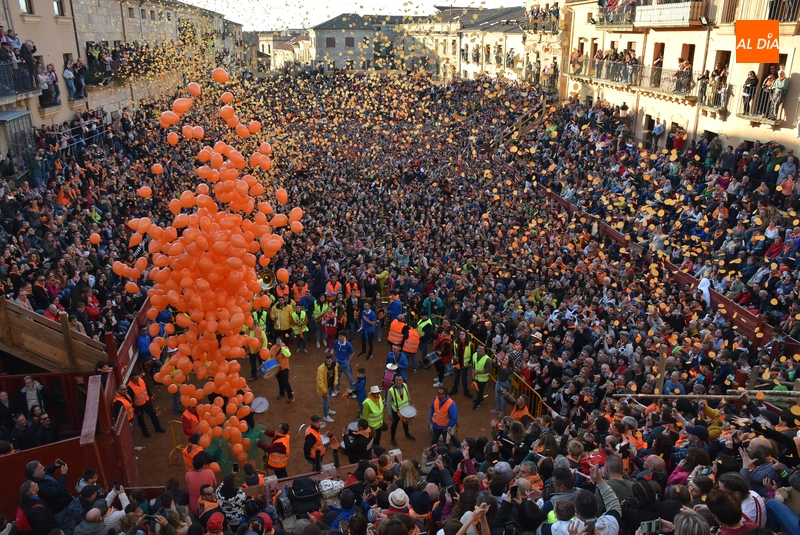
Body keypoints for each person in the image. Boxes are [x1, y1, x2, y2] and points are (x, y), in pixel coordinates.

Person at [127, 370, 165, 437]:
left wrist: (151, 395)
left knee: (153, 415)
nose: (137, 380)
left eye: (137, 378)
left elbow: (147, 388)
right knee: (141, 420)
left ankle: (158, 427)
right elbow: (131, 400)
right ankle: (145, 432)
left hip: (147, 401)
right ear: (131, 379)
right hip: (139, 406)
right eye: (135, 379)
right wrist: (135, 410)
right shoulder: (129, 387)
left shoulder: (141, 380)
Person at [386, 373, 415, 447]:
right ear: (394, 380)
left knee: (406, 423)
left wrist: (410, 404)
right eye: (396, 380)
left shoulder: (405, 386)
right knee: (394, 425)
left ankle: (407, 434)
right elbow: (388, 403)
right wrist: (389, 414)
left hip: (405, 409)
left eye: (399, 380)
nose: (398, 382)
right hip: (396, 411)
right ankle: (392, 438)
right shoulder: (391, 390)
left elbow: (408, 395)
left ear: (402, 380)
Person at [317, 353, 339, 424]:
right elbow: (319, 381)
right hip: (325, 388)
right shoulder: (321, 368)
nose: (328, 363)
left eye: (329, 361)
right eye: (327, 361)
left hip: (331, 387)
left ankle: (328, 410)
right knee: (326, 402)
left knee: (329, 399)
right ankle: (325, 415)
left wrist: (335, 382)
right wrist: (324, 390)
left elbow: (336, 375)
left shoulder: (335, 365)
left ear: (332, 360)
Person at [271, 337, 294, 404]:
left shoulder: (285, 348)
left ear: (282, 341)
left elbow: (288, 354)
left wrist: (282, 348)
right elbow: (270, 355)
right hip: (276, 368)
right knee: (279, 381)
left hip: (284, 368)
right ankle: (282, 393)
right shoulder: (273, 348)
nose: (277, 341)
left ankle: (290, 395)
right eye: (277, 340)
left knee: (285, 382)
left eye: (279, 340)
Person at [334, 330, 356, 395]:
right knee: (337, 378)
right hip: (337, 363)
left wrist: (348, 362)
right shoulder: (336, 342)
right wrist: (334, 359)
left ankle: (354, 391)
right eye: (339, 336)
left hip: (345, 364)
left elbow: (353, 353)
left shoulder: (348, 345)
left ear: (344, 337)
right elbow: (334, 350)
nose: (339, 337)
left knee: (350, 378)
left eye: (341, 336)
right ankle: (337, 390)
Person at [471, 345, 492, 410]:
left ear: (484, 350)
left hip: (483, 379)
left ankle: (477, 404)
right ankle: (481, 399)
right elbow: (472, 364)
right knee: (477, 389)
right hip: (475, 377)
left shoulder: (488, 359)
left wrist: (477, 372)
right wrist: (473, 371)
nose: (480, 350)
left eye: (482, 349)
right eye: (479, 348)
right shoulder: (474, 355)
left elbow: (487, 370)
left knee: (480, 391)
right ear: (477, 349)